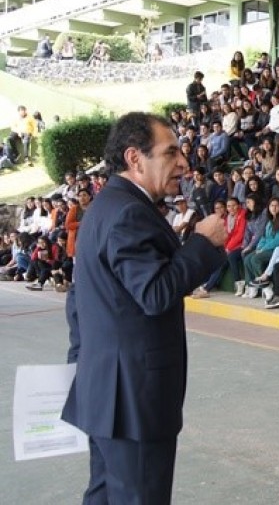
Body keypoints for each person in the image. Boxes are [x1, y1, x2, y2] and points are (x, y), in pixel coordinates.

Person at [61, 113, 227, 504]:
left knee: (105, 496)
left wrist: (84, 371)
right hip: (133, 401)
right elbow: (154, 293)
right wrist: (202, 245)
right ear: (135, 158)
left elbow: (77, 302)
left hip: (107, 395)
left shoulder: (106, 206)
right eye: (171, 153)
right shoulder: (129, 213)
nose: (183, 163)